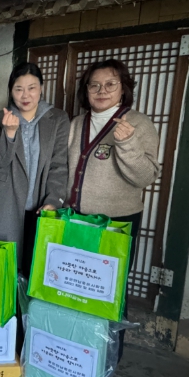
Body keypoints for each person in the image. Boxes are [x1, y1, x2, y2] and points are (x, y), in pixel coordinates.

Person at [67, 58, 160, 359]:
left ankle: (107, 359)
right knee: (73, 286)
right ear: (86, 90)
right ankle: (76, 354)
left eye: (110, 84)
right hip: (76, 219)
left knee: (109, 292)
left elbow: (145, 176)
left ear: (123, 88)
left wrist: (128, 143)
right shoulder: (77, 124)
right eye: (94, 85)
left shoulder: (138, 124)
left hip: (116, 223)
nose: (101, 90)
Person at [0, 62, 70, 278]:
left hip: (42, 201)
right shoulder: (0, 118)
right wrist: (9, 133)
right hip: (7, 200)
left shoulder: (58, 119)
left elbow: (59, 164)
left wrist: (54, 199)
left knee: (38, 266)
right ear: (11, 91)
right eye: (18, 89)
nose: (25, 95)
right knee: (4, 265)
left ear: (41, 88)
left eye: (31, 87)